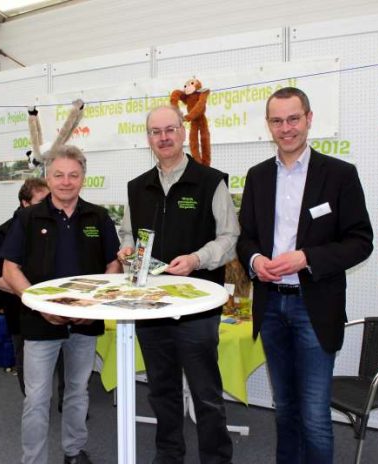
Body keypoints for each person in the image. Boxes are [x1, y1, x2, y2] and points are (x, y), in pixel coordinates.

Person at [236, 87, 373, 464]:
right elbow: (244, 237)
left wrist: (306, 257)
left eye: (293, 119)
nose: (286, 128)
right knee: (285, 409)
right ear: (269, 126)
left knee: (314, 416)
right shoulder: (258, 176)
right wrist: (255, 260)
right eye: (277, 121)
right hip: (271, 304)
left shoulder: (340, 175)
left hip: (314, 308)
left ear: (309, 119)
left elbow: (361, 242)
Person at [117, 105, 238, 464]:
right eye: (156, 132)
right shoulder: (137, 188)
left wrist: (198, 259)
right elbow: (128, 234)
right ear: (148, 138)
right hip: (151, 304)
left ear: (183, 132)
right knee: (161, 389)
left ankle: (215, 458)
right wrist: (126, 250)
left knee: (206, 393)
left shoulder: (211, 181)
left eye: (170, 129)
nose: (164, 137)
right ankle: (169, 454)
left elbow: (230, 237)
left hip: (197, 306)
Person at [0, 145, 121, 464]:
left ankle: (73, 450)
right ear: (48, 178)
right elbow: (10, 269)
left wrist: (91, 308)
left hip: (85, 323)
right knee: (37, 398)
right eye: (59, 175)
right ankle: (34, 460)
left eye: (73, 175)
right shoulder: (27, 218)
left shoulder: (99, 216)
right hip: (40, 323)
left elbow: (113, 265)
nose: (66, 182)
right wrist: (41, 307)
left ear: (83, 179)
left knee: (78, 392)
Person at [0, 177, 49, 395]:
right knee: (26, 358)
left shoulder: (55, 225)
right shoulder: (5, 231)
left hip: (51, 306)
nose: (48, 205)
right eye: (41, 201)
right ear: (25, 203)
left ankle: (64, 403)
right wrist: (28, 294)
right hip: (20, 308)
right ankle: (31, 400)